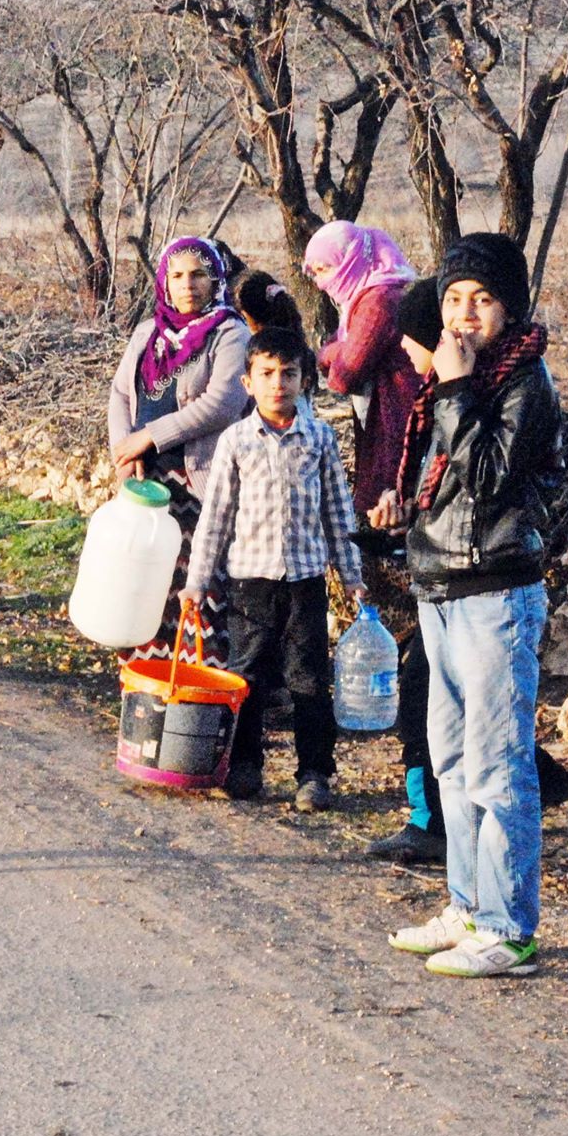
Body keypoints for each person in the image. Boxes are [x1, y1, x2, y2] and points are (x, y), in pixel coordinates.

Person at [371, 232, 559, 979]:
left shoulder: (523, 385)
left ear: (509, 309)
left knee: (497, 766)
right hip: (442, 585)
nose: (464, 314)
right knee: (450, 762)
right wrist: (402, 507)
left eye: (482, 299)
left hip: (496, 593)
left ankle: (509, 928)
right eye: (454, 299)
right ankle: (468, 908)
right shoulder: (460, 386)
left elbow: (487, 481)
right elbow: (446, 482)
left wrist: (452, 390)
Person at [181, 328, 364, 808]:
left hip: (305, 582)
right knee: (248, 677)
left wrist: (352, 576)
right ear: (247, 382)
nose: (278, 383)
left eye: (289, 373)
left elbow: (337, 513)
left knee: (307, 677)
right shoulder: (236, 441)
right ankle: (244, 766)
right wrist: (197, 581)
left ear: (305, 380)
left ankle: (314, 774)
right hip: (249, 583)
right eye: (266, 374)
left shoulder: (319, 437)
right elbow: (216, 517)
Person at [107, 238, 252, 670]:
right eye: (178, 275)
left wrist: (148, 437)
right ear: (165, 283)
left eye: (199, 274)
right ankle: (147, 683)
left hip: (197, 481)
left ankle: (199, 692)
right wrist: (125, 450)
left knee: (197, 586)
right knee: (144, 583)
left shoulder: (230, 332)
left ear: (215, 280)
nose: (188, 284)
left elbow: (222, 402)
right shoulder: (148, 333)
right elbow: (119, 393)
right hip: (146, 481)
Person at [305, 221, 422, 518]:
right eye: (316, 272)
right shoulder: (363, 296)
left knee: (390, 492)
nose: (320, 282)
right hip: (383, 406)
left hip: (394, 408)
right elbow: (345, 346)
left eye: (326, 269)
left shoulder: (378, 301)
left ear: (351, 262)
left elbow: (346, 373)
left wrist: (327, 352)